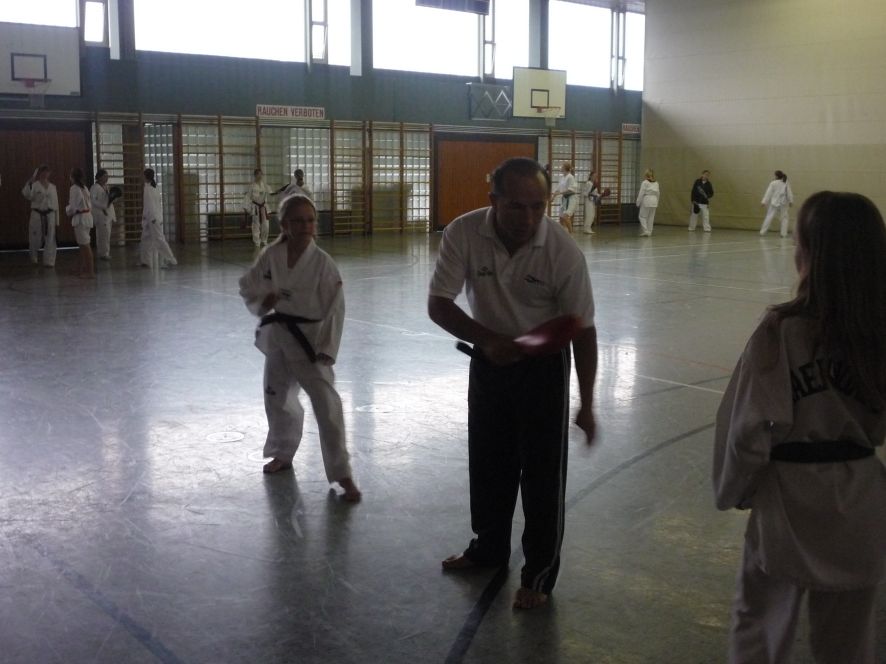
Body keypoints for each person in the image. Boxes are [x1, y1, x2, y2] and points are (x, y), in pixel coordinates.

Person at [713, 191, 886, 663]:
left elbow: (747, 431)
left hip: (788, 503)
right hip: (860, 501)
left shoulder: (781, 330)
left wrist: (734, 489)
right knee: (849, 646)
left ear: (809, 254)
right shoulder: (877, 333)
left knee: (759, 632)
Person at [428, 157, 598, 610]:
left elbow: (583, 330)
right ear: (494, 201)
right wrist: (488, 341)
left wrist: (587, 402)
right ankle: (488, 548)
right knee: (488, 463)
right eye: (516, 206)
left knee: (542, 476)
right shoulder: (463, 232)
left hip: (543, 369)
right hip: (488, 361)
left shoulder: (562, 250)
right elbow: (439, 303)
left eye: (538, 206)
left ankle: (538, 574)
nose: (527, 218)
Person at [238, 193, 361, 502]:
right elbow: (249, 284)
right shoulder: (272, 255)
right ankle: (282, 452)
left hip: (311, 341)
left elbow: (336, 308)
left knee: (327, 405)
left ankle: (342, 472)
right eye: (298, 221)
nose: (306, 226)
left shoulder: (322, 263)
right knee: (276, 396)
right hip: (280, 335)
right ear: (284, 224)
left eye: (310, 220)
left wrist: (328, 348)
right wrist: (263, 298)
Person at [21, 165, 59, 267]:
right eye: (43, 171)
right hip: (37, 214)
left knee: (50, 237)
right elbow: (26, 194)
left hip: (50, 214)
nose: (45, 174)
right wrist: (29, 183)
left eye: (47, 172)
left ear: (49, 173)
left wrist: (57, 220)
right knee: (34, 237)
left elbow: (56, 204)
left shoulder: (53, 187)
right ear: (40, 173)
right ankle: (34, 257)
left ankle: (49, 261)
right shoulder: (35, 185)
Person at [140, 168, 177, 269]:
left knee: (159, 239)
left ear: (145, 176)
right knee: (145, 239)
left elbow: (151, 205)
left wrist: (151, 218)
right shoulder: (153, 187)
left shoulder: (149, 188)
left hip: (153, 218)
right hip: (151, 217)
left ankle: (171, 259)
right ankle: (145, 261)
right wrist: (145, 219)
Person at [65, 168, 95, 278]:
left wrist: (67, 211)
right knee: (83, 245)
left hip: (81, 218)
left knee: (85, 246)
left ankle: (90, 272)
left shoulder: (74, 188)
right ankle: (83, 269)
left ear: (72, 177)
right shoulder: (84, 188)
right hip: (87, 217)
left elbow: (73, 207)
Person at [90, 168, 117, 261]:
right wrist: (103, 206)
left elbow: (109, 199)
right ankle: (103, 253)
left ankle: (105, 252)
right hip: (101, 214)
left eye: (107, 176)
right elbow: (93, 201)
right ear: (100, 177)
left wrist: (114, 197)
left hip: (108, 213)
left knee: (107, 234)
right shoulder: (94, 187)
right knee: (102, 235)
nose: (107, 178)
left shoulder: (106, 187)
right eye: (105, 176)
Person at [243, 168, 274, 248]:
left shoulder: (265, 185)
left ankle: (264, 240)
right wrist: (246, 207)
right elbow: (247, 196)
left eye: (261, 174)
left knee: (266, 225)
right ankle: (257, 241)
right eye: (258, 174)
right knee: (256, 225)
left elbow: (271, 193)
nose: (260, 176)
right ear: (255, 175)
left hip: (264, 207)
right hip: (256, 207)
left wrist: (279, 192)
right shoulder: (252, 186)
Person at [759, 170, 794, 238]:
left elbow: (768, 193)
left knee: (769, 217)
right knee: (784, 218)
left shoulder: (773, 183)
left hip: (774, 203)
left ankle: (762, 232)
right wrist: (791, 201)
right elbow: (789, 192)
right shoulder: (785, 182)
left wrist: (764, 202)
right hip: (783, 203)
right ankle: (783, 234)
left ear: (776, 176)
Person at [552, 162, 578, 233]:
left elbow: (571, 190)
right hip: (564, 199)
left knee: (565, 216)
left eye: (562, 166)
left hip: (571, 199)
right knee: (561, 218)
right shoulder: (562, 178)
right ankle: (563, 233)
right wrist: (553, 197)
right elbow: (558, 189)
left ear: (565, 168)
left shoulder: (570, 177)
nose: (560, 167)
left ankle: (571, 233)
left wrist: (560, 193)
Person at [636, 169, 660, 237]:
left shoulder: (645, 182)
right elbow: (658, 193)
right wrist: (657, 201)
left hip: (647, 200)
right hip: (654, 200)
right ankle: (649, 231)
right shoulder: (656, 183)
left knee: (642, 216)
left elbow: (641, 193)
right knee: (651, 217)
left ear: (646, 175)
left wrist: (638, 202)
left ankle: (645, 231)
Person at [583, 169, 601, 235]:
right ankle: (586, 229)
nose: (595, 177)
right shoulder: (588, 183)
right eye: (593, 176)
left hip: (592, 201)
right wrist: (590, 194)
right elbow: (585, 193)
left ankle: (588, 228)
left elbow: (595, 193)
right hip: (588, 201)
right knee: (589, 215)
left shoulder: (594, 184)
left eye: (596, 176)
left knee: (592, 215)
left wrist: (600, 195)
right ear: (590, 176)